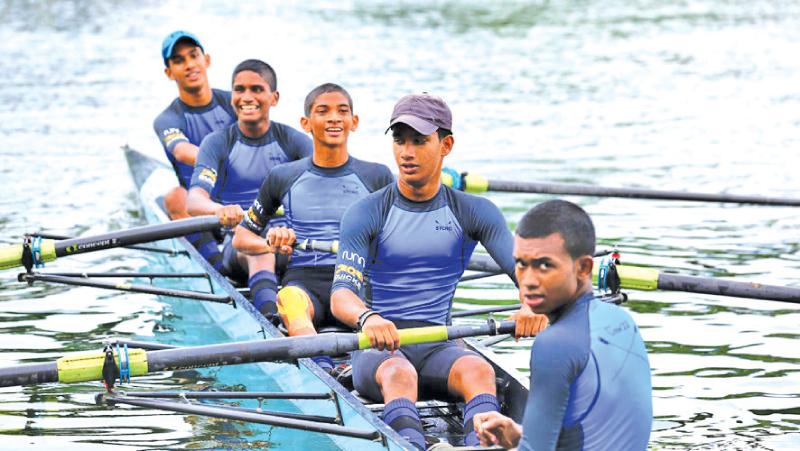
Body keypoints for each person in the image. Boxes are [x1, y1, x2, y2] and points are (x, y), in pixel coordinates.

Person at [330, 93, 549, 449]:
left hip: (439, 347)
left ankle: (481, 445)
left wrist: (531, 305)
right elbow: (341, 296)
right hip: (379, 351)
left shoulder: (475, 211)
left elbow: (526, 274)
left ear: (445, 144)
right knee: (400, 373)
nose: (406, 152)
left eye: (419, 141)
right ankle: (414, 445)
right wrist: (368, 318)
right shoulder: (367, 211)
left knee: (479, 371)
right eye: (400, 140)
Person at [232, 83, 394, 372]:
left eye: (342, 111)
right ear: (306, 123)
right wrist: (270, 244)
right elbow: (241, 238)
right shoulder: (283, 176)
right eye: (323, 111)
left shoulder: (377, 175)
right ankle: (321, 369)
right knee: (288, 299)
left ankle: (365, 361)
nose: (334, 118)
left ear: (353, 123)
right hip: (304, 281)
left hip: (357, 283)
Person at [473, 200, 653, 450]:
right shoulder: (621, 320)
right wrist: (518, 436)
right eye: (521, 263)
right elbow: (598, 428)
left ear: (583, 268)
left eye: (545, 265)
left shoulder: (554, 343)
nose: (528, 280)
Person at [187, 59, 312, 316]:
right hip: (240, 241)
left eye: (256, 89)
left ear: (274, 98)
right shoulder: (217, 143)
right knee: (259, 248)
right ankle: (270, 322)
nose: (246, 97)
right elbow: (194, 202)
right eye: (239, 89)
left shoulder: (296, 142)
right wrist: (219, 210)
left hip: (289, 240)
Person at [153, 30, 236, 270]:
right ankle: (219, 270)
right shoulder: (168, 118)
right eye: (179, 61)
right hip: (198, 209)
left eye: (193, 56)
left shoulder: (235, 103)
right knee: (175, 196)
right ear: (169, 73)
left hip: (242, 202)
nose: (189, 65)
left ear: (206, 60)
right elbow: (181, 152)